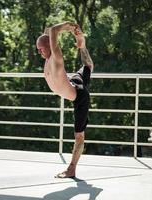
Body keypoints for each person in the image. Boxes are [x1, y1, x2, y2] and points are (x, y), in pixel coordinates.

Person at [36, 22, 94, 178]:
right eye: (38, 49)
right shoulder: (47, 56)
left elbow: (54, 31)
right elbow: (49, 32)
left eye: (41, 48)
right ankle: (82, 45)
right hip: (73, 82)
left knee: (79, 135)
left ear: (50, 46)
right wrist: (79, 38)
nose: (39, 51)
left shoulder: (56, 58)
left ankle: (72, 169)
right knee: (87, 65)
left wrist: (69, 26)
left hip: (79, 96)